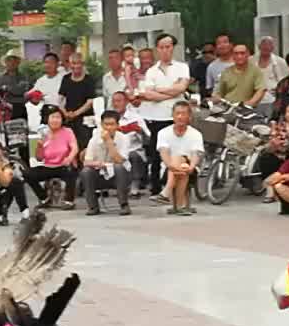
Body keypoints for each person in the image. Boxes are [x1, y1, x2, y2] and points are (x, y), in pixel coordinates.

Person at [133, 34, 193, 199]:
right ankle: (156, 188)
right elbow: (148, 94)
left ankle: (180, 186)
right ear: (157, 49)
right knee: (156, 153)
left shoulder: (182, 67)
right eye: (162, 47)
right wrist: (171, 92)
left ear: (172, 48)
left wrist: (159, 90)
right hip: (157, 117)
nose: (165, 50)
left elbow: (181, 88)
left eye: (168, 46)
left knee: (180, 151)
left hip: (177, 117)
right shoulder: (152, 71)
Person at [80, 109, 133, 215]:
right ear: (101, 125)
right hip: (100, 174)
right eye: (106, 124)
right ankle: (93, 206)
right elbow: (86, 162)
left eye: (112, 124)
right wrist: (100, 164)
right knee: (86, 171)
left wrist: (109, 141)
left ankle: (124, 205)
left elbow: (119, 160)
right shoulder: (94, 139)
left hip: (120, 176)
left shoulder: (124, 139)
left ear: (117, 125)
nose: (108, 128)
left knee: (119, 167)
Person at [24, 108, 79, 207]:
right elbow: (39, 158)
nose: (55, 120)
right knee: (28, 174)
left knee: (71, 172)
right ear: (47, 119)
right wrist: (39, 146)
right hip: (47, 166)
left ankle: (69, 201)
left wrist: (69, 158)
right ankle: (44, 198)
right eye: (53, 117)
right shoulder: (42, 133)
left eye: (58, 117)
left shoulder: (68, 131)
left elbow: (75, 148)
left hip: (63, 165)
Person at [158, 99, 204, 215]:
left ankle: (166, 192)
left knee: (182, 161)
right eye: (177, 113)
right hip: (169, 168)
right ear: (172, 115)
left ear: (189, 116)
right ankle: (181, 206)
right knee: (178, 162)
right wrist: (171, 166)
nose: (180, 117)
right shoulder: (163, 132)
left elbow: (195, 153)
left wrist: (191, 166)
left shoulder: (196, 134)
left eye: (183, 114)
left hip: (190, 168)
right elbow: (164, 152)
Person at [60, 51, 98, 147]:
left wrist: (76, 113)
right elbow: (60, 99)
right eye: (73, 63)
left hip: (85, 119)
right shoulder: (65, 78)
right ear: (70, 64)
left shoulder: (89, 80)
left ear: (82, 64)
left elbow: (90, 101)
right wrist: (65, 113)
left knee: (84, 146)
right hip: (68, 119)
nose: (76, 66)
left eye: (78, 63)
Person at [211, 42, 265, 108]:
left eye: (242, 53)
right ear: (232, 55)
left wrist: (250, 103)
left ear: (248, 54)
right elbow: (219, 93)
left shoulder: (255, 71)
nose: (239, 56)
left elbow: (261, 90)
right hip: (228, 108)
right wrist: (213, 100)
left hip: (247, 109)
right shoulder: (226, 72)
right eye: (236, 53)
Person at [255, 35, 289, 109]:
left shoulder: (281, 62)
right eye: (264, 45)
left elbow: (286, 81)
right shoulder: (251, 61)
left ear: (272, 48)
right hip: (254, 99)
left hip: (274, 100)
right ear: (259, 47)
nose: (266, 47)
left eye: (269, 45)